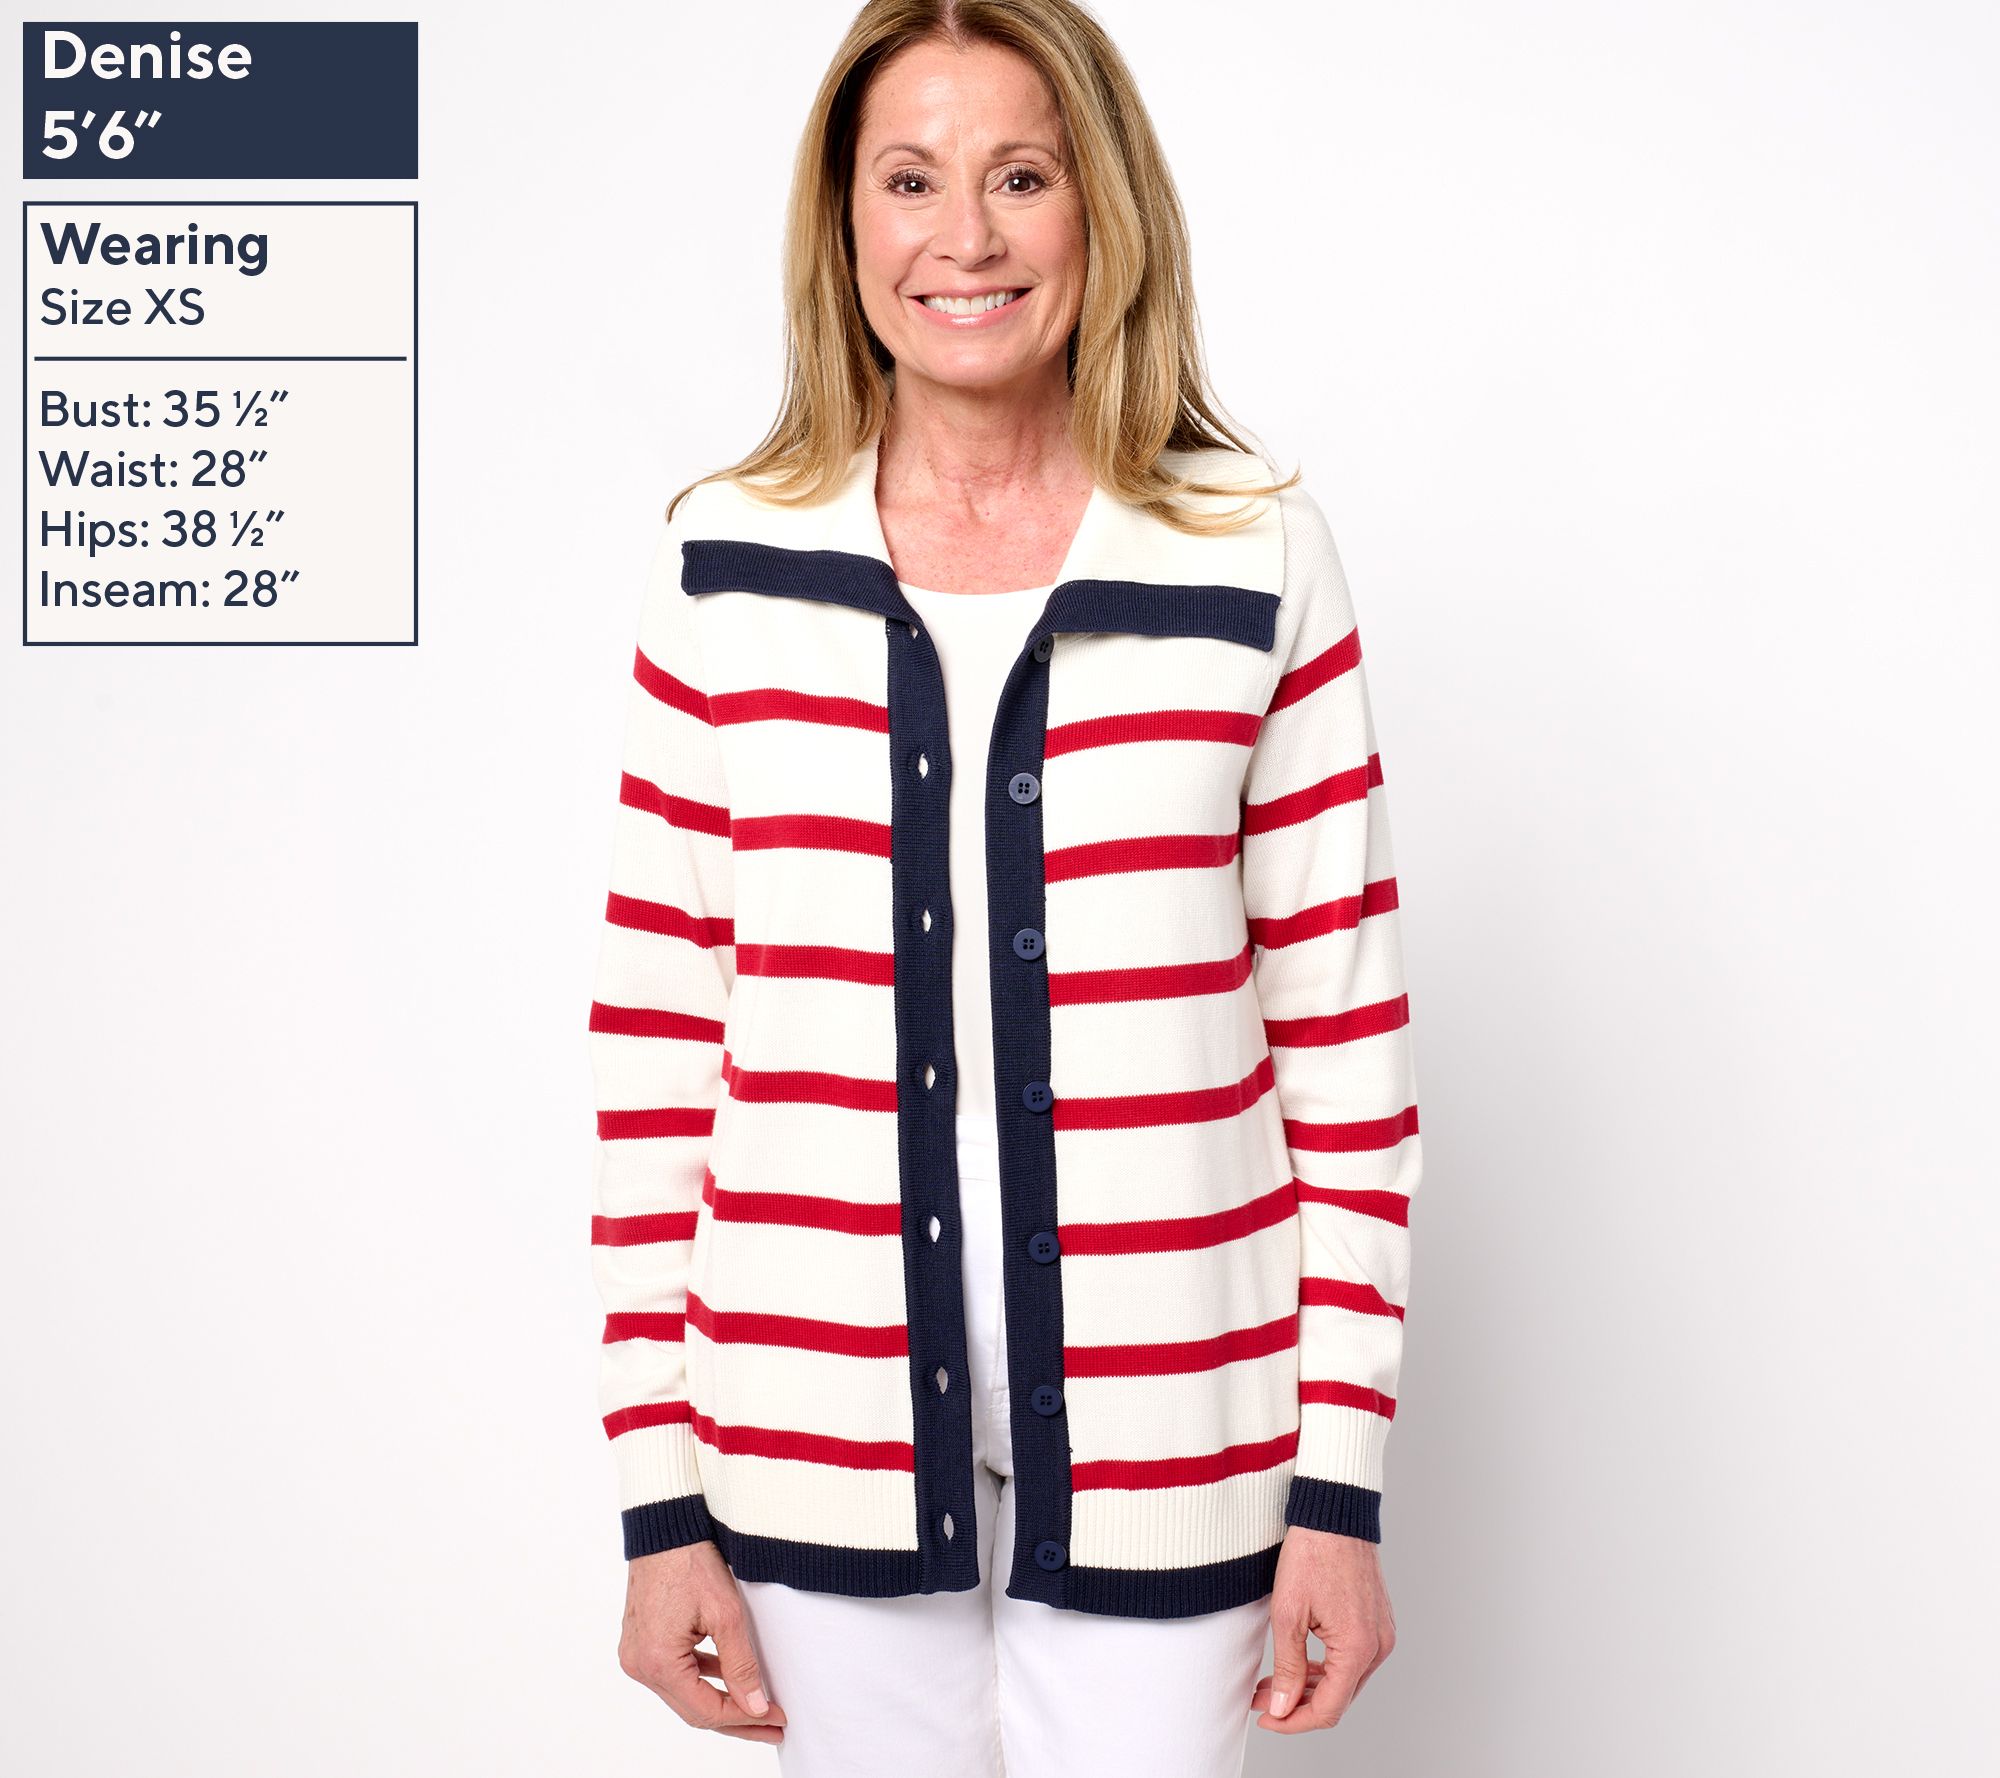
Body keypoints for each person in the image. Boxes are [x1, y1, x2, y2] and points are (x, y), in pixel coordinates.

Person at [586, 3, 1422, 1772]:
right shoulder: (725, 563)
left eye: (1020, 177)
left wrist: (1336, 1483)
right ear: (844, 225)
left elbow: (1347, 1061)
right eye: (910, 180)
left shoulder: (1254, 555)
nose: (962, 238)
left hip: (1179, 1440)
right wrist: (660, 1497)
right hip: (810, 1440)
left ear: (1100, 207)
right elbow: (660, 1049)